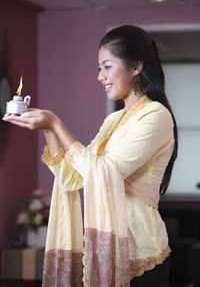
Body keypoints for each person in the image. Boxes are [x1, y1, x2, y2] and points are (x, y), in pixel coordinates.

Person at [3, 25, 178, 287]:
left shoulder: (156, 116)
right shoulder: (113, 120)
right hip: (105, 252)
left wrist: (57, 123)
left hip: (143, 251)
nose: (100, 76)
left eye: (107, 66)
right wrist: (49, 129)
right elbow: (74, 178)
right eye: (99, 68)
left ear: (136, 66)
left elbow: (107, 172)